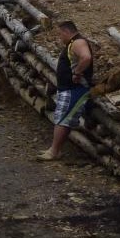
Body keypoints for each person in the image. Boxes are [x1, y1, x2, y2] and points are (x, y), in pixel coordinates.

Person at [38, 20, 93, 161]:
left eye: (60, 34)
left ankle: (54, 152)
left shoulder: (78, 42)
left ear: (66, 32)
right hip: (69, 89)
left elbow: (86, 57)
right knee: (64, 119)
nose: (59, 37)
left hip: (74, 89)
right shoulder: (72, 44)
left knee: (62, 119)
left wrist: (77, 73)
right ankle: (54, 150)